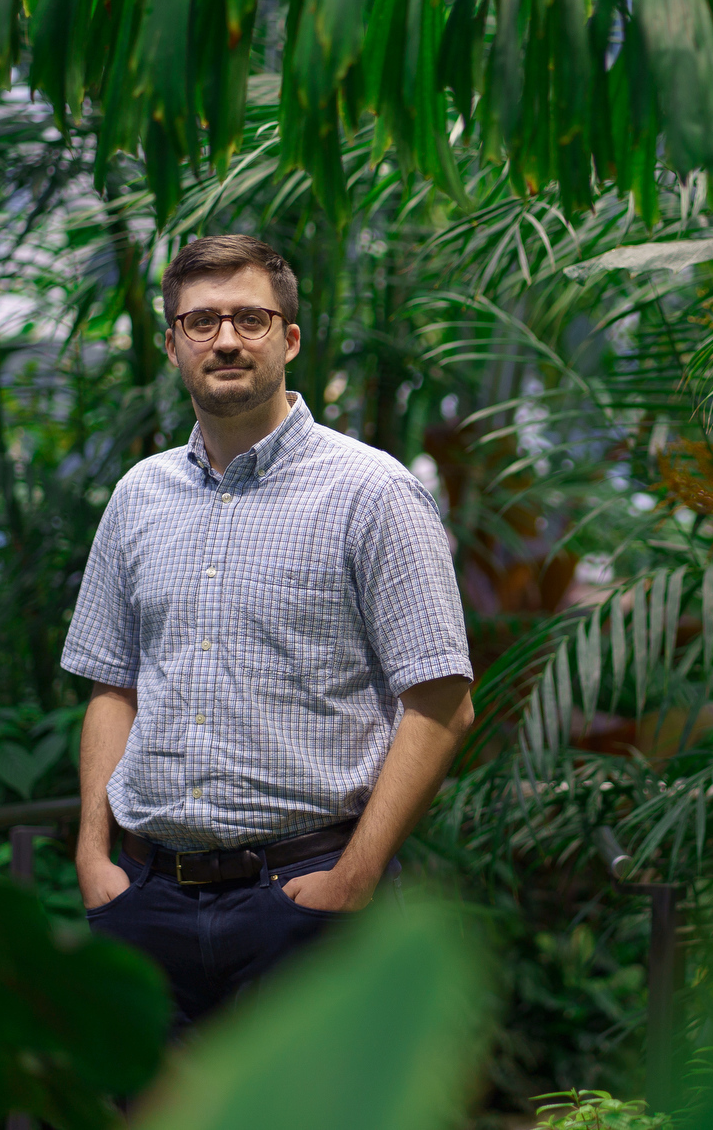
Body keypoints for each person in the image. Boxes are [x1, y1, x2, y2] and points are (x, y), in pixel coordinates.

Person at [61, 235, 474, 1032]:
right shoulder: (137, 497)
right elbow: (113, 686)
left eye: (250, 319)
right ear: (173, 343)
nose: (225, 340)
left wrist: (354, 879)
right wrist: (92, 856)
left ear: (288, 338)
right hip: (147, 903)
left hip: (306, 900)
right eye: (201, 321)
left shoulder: (373, 492)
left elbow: (443, 703)